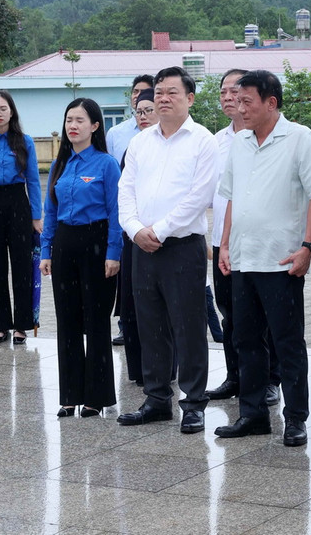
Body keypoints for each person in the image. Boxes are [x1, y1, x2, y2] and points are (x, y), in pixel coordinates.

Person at [213, 70, 311, 447]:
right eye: (237, 100)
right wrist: (225, 245)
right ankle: (252, 415)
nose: (240, 108)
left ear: (271, 103)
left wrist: (308, 246)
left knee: (287, 342)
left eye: (247, 101)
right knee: (246, 340)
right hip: (243, 258)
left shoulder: (299, 138)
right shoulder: (240, 142)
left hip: (281, 260)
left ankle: (295, 418)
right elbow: (232, 198)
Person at [117, 65, 217, 434]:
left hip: (182, 247)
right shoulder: (141, 142)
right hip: (142, 247)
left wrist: (157, 230)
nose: (162, 98)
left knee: (189, 327)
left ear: (190, 98)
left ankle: (193, 403)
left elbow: (199, 197)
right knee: (150, 325)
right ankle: (156, 399)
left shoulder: (203, 141)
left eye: (171, 92)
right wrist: (135, 229)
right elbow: (125, 191)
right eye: (158, 92)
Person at [40, 98, 122, 418]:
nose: (72, 126)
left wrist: (113, 253)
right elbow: (51, 211)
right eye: (69, 120)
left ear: (95, 126)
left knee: (96, 321)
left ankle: (96, 396)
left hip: (96, 244)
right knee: (68, 321)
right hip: (64, 244)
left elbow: (116, 212)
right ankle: (70, 395)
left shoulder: (106, 164)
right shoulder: (60, 165)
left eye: (80, 120)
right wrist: (45, 251)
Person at [206, 68, 282, 406]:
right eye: (223, 92)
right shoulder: (216, 141)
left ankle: (270, 379)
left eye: (235, 91)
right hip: (223, 242)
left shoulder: (273, 137)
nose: (228, 97)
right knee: (230, 313)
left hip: (260, 241)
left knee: (263, 315)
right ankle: (235, 375)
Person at [0, 90, 42, 345]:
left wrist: (36, 216)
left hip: (18, 203)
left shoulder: (24, 142)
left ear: (11, 112)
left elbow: (33, 181)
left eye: (3, 108)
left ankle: (22, 325)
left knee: (22, 265)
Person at [115, 88, 157, 383]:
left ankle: (162, 369)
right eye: (139, 112)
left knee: (159, 309)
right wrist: (132, 227)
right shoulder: (133, 148)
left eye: (148, 110)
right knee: (131, 305)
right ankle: (137, 370)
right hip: (131, 237)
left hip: (162, 237)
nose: (143, 116)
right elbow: (124, 194)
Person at [106, 75, 154, 164]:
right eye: (135, 92)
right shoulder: (115, 133)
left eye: (143, 92)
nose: (137, 96)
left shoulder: (165, 132)